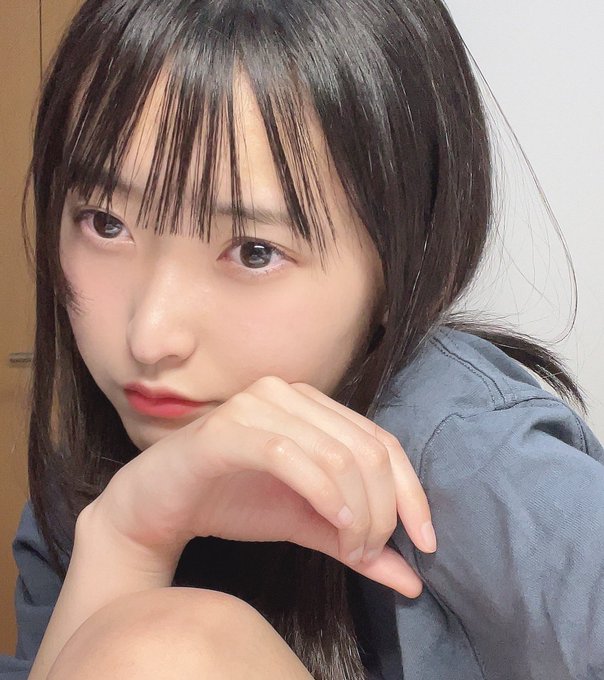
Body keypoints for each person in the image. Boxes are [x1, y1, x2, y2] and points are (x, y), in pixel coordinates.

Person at [1, 0, 603, 678]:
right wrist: (124, 539)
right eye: (105, 223)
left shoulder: (472, 461)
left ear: (404, 265)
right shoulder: (93, 485)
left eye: (254, 251)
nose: (150, 336)